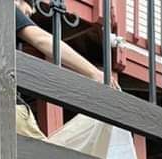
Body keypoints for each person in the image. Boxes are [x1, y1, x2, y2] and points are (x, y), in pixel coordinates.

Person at [15, 0, 119, 139]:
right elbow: (42, 39)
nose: (30, 15)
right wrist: (94, 73)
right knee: (46, 158)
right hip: (9, 106)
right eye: (27, 12)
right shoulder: (3, 6)